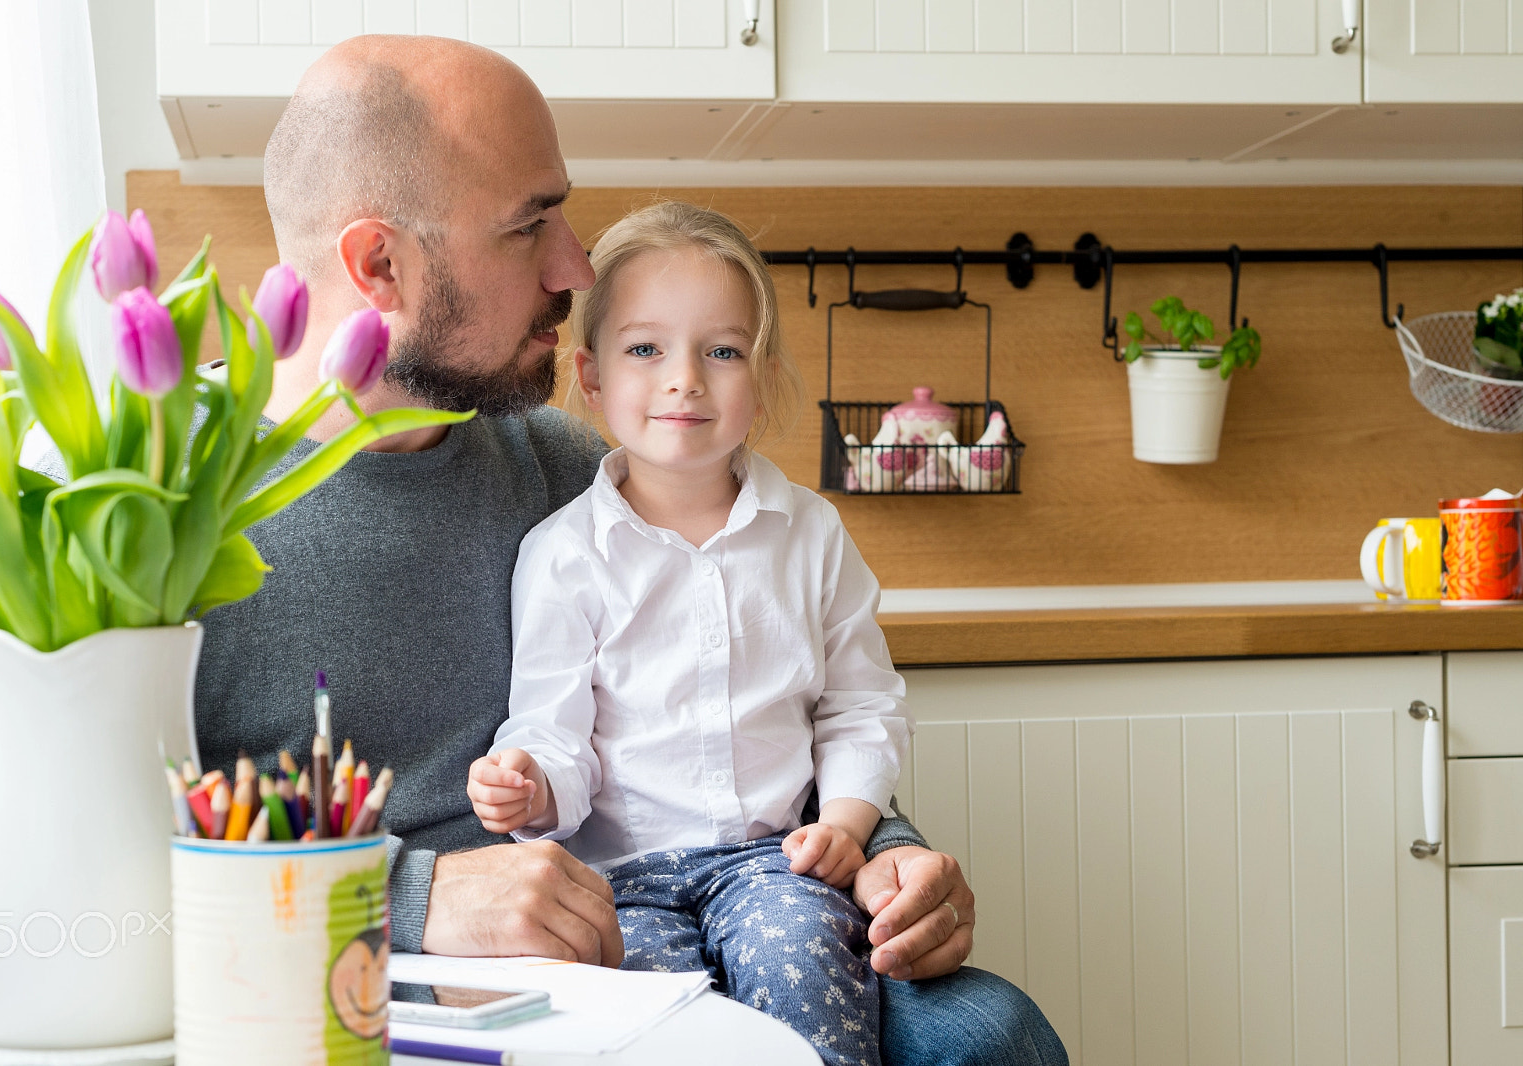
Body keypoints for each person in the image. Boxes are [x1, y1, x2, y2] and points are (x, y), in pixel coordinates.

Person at [193, 33, 1066, 1065]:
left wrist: (886, 851)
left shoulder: (573, 471)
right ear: (378, 264)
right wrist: (412, 897)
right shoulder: (165, 515)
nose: (577, 265)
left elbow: (754, 700)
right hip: (371, 973)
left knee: (987, 1034)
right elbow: (106, 884)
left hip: (677, 907)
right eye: (531, 227)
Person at [467, 202, 908, 1066]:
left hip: (769, 864)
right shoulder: (560, 557)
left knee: (806, 964)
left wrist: (850, 826)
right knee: (652, 1028)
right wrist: (529, 787)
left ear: (763, 374)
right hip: (617, 884)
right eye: (645, 349)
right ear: (590, 378)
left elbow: (861, 708)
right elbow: (553, 732)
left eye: (722, 350)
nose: (684, 380)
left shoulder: (811, 535)